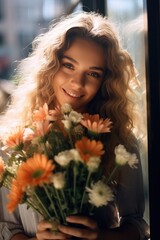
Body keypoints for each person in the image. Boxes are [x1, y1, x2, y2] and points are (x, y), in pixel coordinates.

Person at [0, 11, 150, 240]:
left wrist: (101, 237)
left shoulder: (119, 141)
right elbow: (5, 228)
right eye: (69, 66)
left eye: (93, 73)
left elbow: (137, 225)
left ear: (105, 81)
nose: (78, 83)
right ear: (50, 66)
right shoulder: (12, 141)